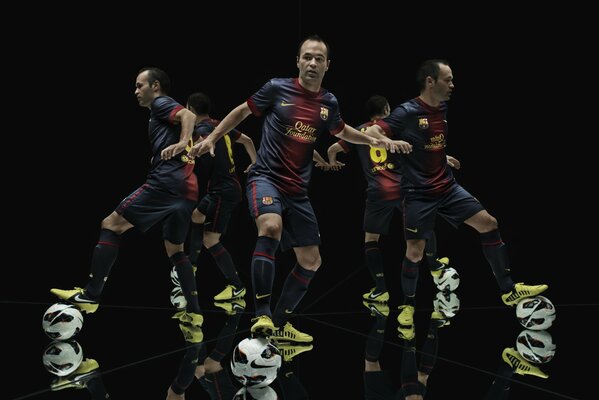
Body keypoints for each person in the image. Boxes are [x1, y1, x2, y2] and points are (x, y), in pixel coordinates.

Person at [189, 34, 406, 341]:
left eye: (319, 58)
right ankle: (261, 314)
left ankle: (279, 325)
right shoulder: (276, 88)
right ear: (298, 61)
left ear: (327, 65)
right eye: (307, 57)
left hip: (298, 191)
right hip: (266, 178)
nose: (312, 63)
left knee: (311, 260)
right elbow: (241, 112)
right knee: (270, 226)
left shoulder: (329, 102)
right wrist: (212, 137)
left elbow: (341, 131)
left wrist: (375, 141)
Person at [363, 59, 548, 334]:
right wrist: (389, 141)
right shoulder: (407, 111)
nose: (452, 84)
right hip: (418, 195)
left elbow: (427, 142)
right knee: (414, 252)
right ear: (430, 81)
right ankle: (407, 306)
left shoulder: (442, 108)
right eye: (447, 79)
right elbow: (374, 131)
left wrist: (443, 157)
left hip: (447, 187)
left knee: (489, 224)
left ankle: (509, 291)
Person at [51, 67, 203, 343]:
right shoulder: (160, 112)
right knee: (176, 249)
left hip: (165, 183)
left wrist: (183, 142)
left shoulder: (161, 103)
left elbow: (188, 115)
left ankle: (91, 295)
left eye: (139, 85)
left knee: (111, 225)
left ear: (155, 86)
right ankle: (194, 313)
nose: (136, 91)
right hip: (188, 189)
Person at [327, 95, 460, 304]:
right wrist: (444, 158)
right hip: (402, 188)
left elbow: (332, 149)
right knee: (422, 224)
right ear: (387, 110)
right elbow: (420, 150)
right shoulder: (392, 129)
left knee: (371, 240)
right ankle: (434, 266)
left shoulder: (359, 131)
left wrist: (332, 162)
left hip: (377, 193)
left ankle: (381, 290)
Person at [185, 92, 257, 302]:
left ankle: (237, 287)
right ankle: (192, 265)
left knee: (210, 240)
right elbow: (248, 141)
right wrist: (255, 162)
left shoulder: (202, 131)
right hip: (223, 187)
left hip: (223, 191)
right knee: (197, 216)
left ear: (191, 110)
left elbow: (196, 150)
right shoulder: (221, 125)